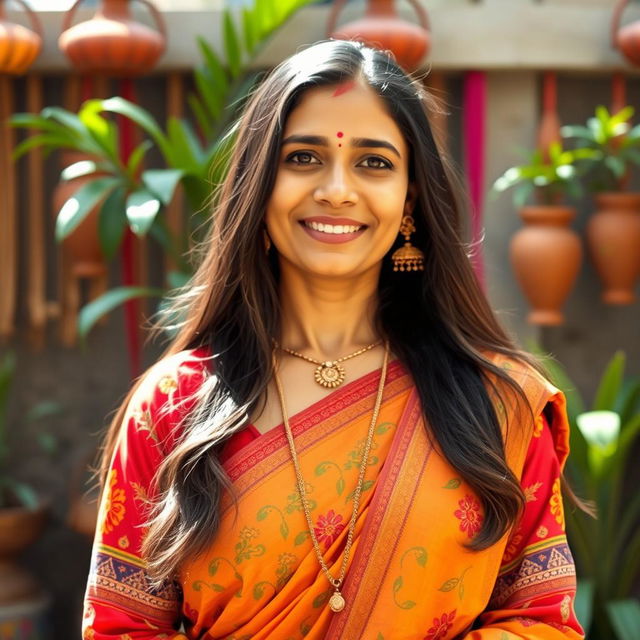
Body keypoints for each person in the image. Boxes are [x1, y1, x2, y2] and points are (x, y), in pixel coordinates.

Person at [82, 40, 585, 640]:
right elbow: (121, 628)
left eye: (373, 163)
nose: (337, 190)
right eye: (302, 158)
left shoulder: (499, 403)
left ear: (411, 199)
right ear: (259, 186)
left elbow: (541, 623)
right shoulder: (173, 406)